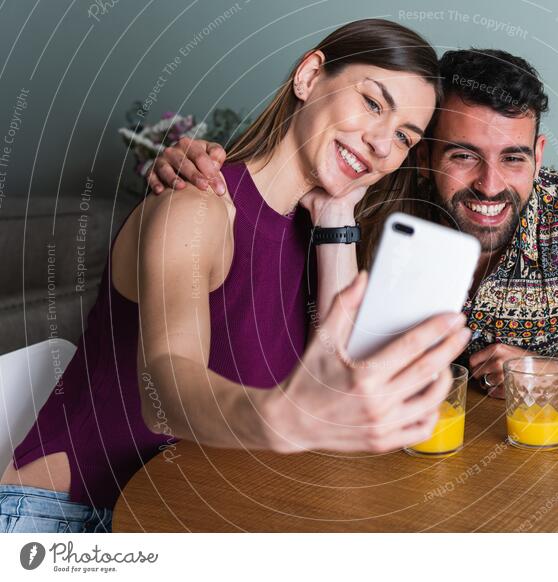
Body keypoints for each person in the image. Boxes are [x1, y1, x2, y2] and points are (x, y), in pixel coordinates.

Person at [0, 19, 472, 533]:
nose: (384, 144)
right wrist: (280, 418)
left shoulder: (312, 230)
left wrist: (337, 222)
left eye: (405, 136)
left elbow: (335, 385)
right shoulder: (197, 206)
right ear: (310, 76)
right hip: (66, 520)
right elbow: (165, 391)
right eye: (374, 103)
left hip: (184, 515)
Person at [151, 48, 558, 398]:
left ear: (538, 155)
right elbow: (260, 189)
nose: (490, 186)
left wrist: (551, 371)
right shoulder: (365, 192)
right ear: (429, 148)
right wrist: (191, 164)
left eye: (513, 158)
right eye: (464, 155)